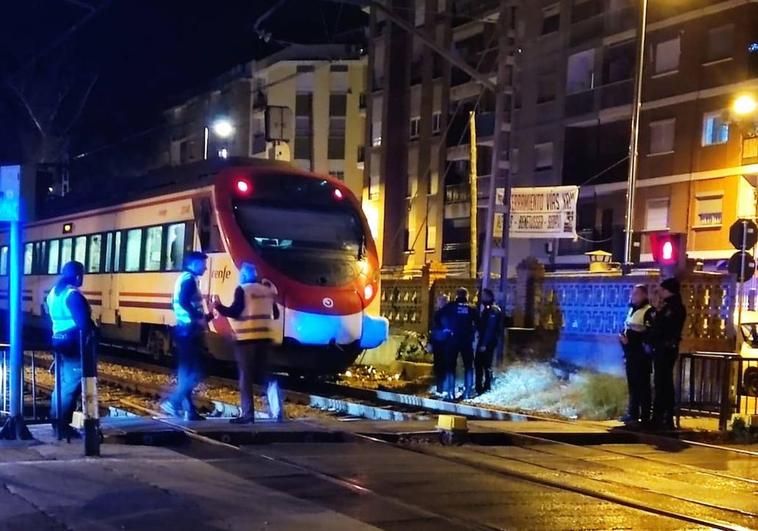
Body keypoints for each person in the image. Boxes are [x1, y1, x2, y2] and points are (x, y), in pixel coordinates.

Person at [214, 262, 282, 423]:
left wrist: (218, 306)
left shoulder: (242, 290)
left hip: (246, 340)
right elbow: (276, 314)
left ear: (243, 276)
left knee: (246, 378)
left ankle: (248, 414)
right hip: (264, 339)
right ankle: (277, 409)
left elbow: (235, 311)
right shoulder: (266, 291)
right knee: (266, 375)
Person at [46, 261, 95, 439]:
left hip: (58, 341)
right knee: (70, 387)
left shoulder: (54, 293)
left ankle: (55, 421)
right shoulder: (72, 294)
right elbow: (84, 324)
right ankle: (62, 425)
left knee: (61, 385)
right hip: (74, 344)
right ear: (77, 275)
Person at [161, 251, 213, 420]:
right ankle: (173, 402)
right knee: (198, 370)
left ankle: (189, 411)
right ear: (194, 264)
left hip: (185, 329)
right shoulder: (189, 280)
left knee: (186, 372)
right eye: (203, 264)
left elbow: (179, 303)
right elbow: (183, 302)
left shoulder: (184, 278)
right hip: (189, 331)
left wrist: (206, 316)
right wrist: (197, 318)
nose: (205, 267)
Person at [648, 277, 687, 430]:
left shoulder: (672, 308)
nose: (660, 293)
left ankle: (663, 416)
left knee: (663, 382)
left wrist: (652, 338)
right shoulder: (672, 306)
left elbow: (662, 328)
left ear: (667, 290)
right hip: (666, 348)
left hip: (665, 349)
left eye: (661, 290)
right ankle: (663, 415)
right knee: (662, 382)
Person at [618, 284, 654, 425]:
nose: (633, 296)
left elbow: (648, 335)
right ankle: (632, 413)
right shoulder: (632, 310)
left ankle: (645, 416)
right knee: (632, 384)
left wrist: (631, 341)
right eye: (632, 293)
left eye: (636, 293)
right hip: (630, 354)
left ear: (644, 295)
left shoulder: (649, 311)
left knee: (643, 385)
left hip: (641, 356)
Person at [441, 287, 478, 400]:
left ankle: (450, 392)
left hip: (453, 340)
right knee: (468, 366)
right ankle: (467, 392)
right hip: (466, 340)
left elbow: (439, 317)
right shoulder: (472, 308)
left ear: (457, 295)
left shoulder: (450, 306)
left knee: (450, 366)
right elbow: (478, 323)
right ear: (466, 296)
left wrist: (446, 328)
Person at [475, 288, 503, 395]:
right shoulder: (487, 309)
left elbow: (490, 329)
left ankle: (486, 387)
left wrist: (484, 344)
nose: (482, 298)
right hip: (485, 341)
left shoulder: (493, 310)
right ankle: (480, 387)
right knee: (480, 364)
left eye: (484, 296)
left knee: (485, 365)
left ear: (490, 297)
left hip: (487, 343)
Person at [429, 294, 450, 397]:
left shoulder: (440, 314)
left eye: (439, 301)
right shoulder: (449, 313)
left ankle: (441, 389)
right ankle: (442, 389)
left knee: (441, 367)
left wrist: (431, 342)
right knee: (443, 367)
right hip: (443, 344)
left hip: (441, 344)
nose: (438, 303)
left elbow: (434, 329)